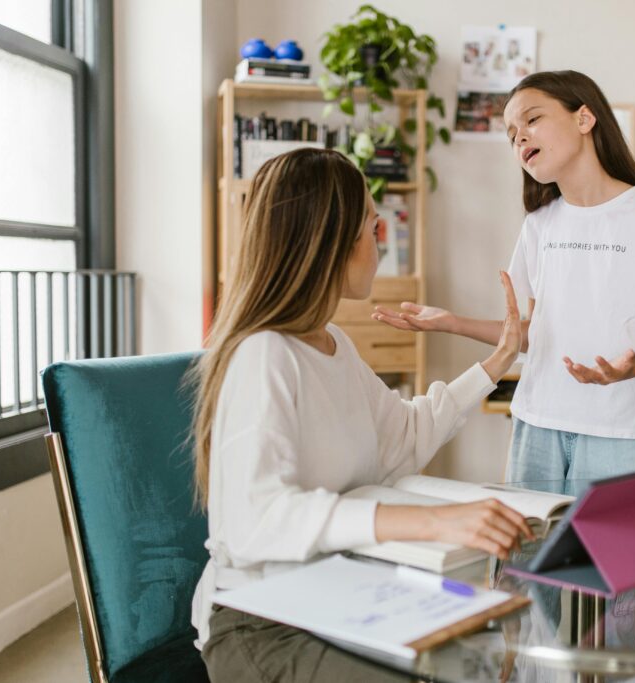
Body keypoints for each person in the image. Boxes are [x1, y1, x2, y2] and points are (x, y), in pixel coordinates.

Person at [189, 148, 534, 682]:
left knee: (480, 658)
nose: (381, 242)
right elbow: (256, 517)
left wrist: (497, 362)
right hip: (262, 620)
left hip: (337, 592)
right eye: (374, 227)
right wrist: (431, 521)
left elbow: (404, 436)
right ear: (333, 243)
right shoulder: (264, 355)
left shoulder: (334, 347)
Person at [373, 69, 635, 492]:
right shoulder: (540, 225)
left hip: (623, 430)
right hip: (538, 423)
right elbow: (535, 335)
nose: (519, 137)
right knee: (526, 556)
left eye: (532, 120)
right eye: (511, 132)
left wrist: (634, 367)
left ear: (584, 119)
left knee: (607, 559)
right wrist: (450, 322)